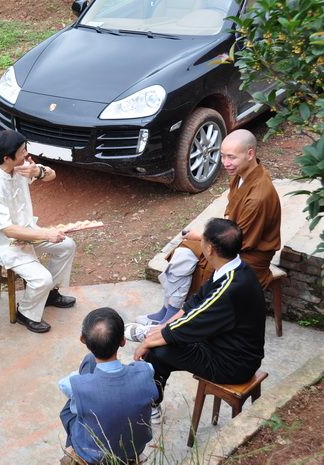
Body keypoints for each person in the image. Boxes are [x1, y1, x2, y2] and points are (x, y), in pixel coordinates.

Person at [136, 129, 280, 327]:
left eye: (231, 157)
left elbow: (240, 242)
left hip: (247, 255)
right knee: (184, 252)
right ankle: (168, 311)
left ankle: (180, 319)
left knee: (204, 270)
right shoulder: (242, 174)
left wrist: (203, 237)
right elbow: (232, 219)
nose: (225, 163)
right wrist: (203, 238)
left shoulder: (258, 197)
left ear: (250, 154)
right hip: (230, 239)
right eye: (222, 156)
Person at [133, 218, 266, 420]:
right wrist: (162, 327)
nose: (199, 240)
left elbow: (191, 323)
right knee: (163, 339)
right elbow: (194, 303)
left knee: (158, 351)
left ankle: (151, 406)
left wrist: (148, 341)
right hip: (223, 344)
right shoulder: (233, 269)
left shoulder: (230, 288)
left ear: (210, 249)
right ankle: (152, 397)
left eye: (203, 238)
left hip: (233, 364)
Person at [0, 130, 77, 334]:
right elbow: (8, 230)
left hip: (27, 230)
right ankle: (26, 312)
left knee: (67, 246)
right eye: (22, 151)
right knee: (42, 278)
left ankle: (49, 294)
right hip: (3, 243)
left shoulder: (19, 166)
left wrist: (37, 171)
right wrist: (47, 234)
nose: (27, 154)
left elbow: (52, 175)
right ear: (7, 158)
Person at [59, 308, 158, 464]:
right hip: (134, 449)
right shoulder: (146, 371)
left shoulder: (76, 384)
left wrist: (88, 381)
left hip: (95, 455)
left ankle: (77, 447)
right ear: (123, 341)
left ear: (83, 340)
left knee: (67, 411)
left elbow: (63, 385)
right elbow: (147, 368)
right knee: (90, 362)